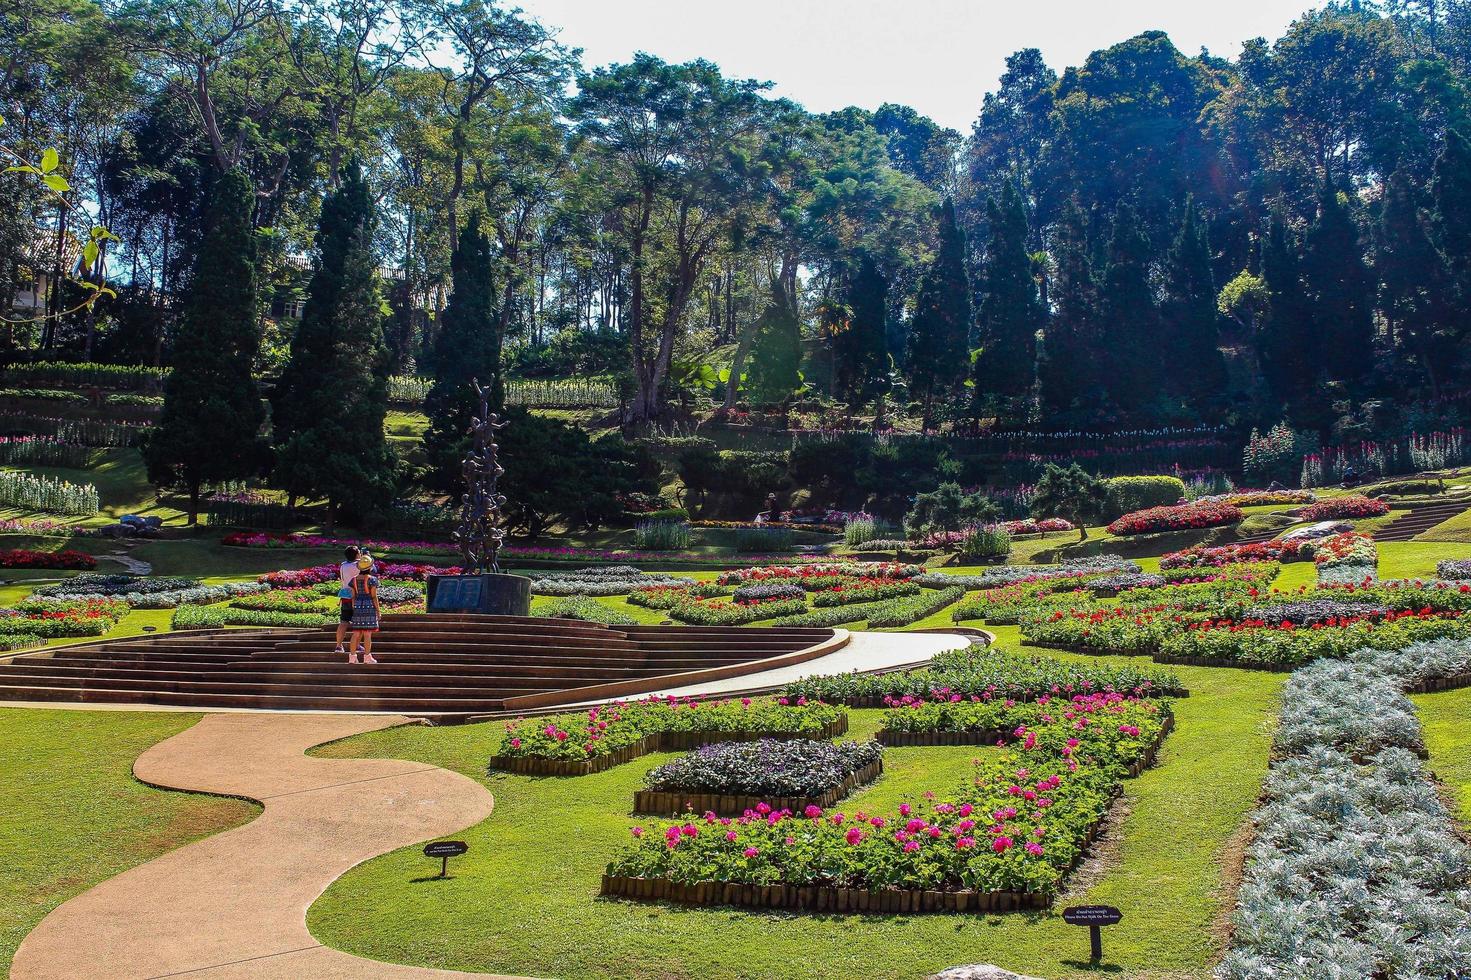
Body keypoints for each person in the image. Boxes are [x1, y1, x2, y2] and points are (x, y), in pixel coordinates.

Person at [348, 554, 380, 664]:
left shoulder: (353, 580)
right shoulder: (373, 580)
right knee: (367, 634)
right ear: (370, 567)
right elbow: (374, 596)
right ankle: (367, 657)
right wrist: (378, 611)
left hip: (357, 607)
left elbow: (352, 596)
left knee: (356, 633)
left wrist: (354, 606)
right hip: (369, 607)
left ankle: (352, 657)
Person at [334, 546, 359, 655]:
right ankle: (356, 645)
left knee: (344, 621)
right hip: (357, 596)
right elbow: (372, 569)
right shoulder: (358, 565)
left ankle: (338, 646)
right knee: (359, 622)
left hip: (345, 595)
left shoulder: (343, 565)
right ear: (357, 554)